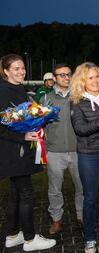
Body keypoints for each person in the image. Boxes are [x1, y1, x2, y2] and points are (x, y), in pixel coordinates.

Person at [0, 54, 56, 251]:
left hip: (17, 152)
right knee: (26, 194)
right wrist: (22, 137)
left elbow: (21, 116)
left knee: (15, 193)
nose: (21, 71)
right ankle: (31, 240)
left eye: (22, 67)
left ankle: (12, 234)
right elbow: (3, 125)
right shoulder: (4, 91)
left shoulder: (17, 88)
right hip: (14, 152)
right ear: (5, 71)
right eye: (15, 68)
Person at [70, 62, 99, 253]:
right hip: (88, 156)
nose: (95, 81)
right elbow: (80, 129)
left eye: (97, 76)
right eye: (90, 77)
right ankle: (90, 237)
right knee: (90, 197)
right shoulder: (76, 101)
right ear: (82, 81)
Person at [40, 63, 84, 234]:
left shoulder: (79, 96)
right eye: (62, 75)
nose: (66, 77)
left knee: (82, 187)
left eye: (69, 74)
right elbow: (39, 124)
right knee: (54, 189)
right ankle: (56, 219)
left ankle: (81, 215)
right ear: (54, 78)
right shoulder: (46, 99)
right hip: (55, 153)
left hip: (78, 151)